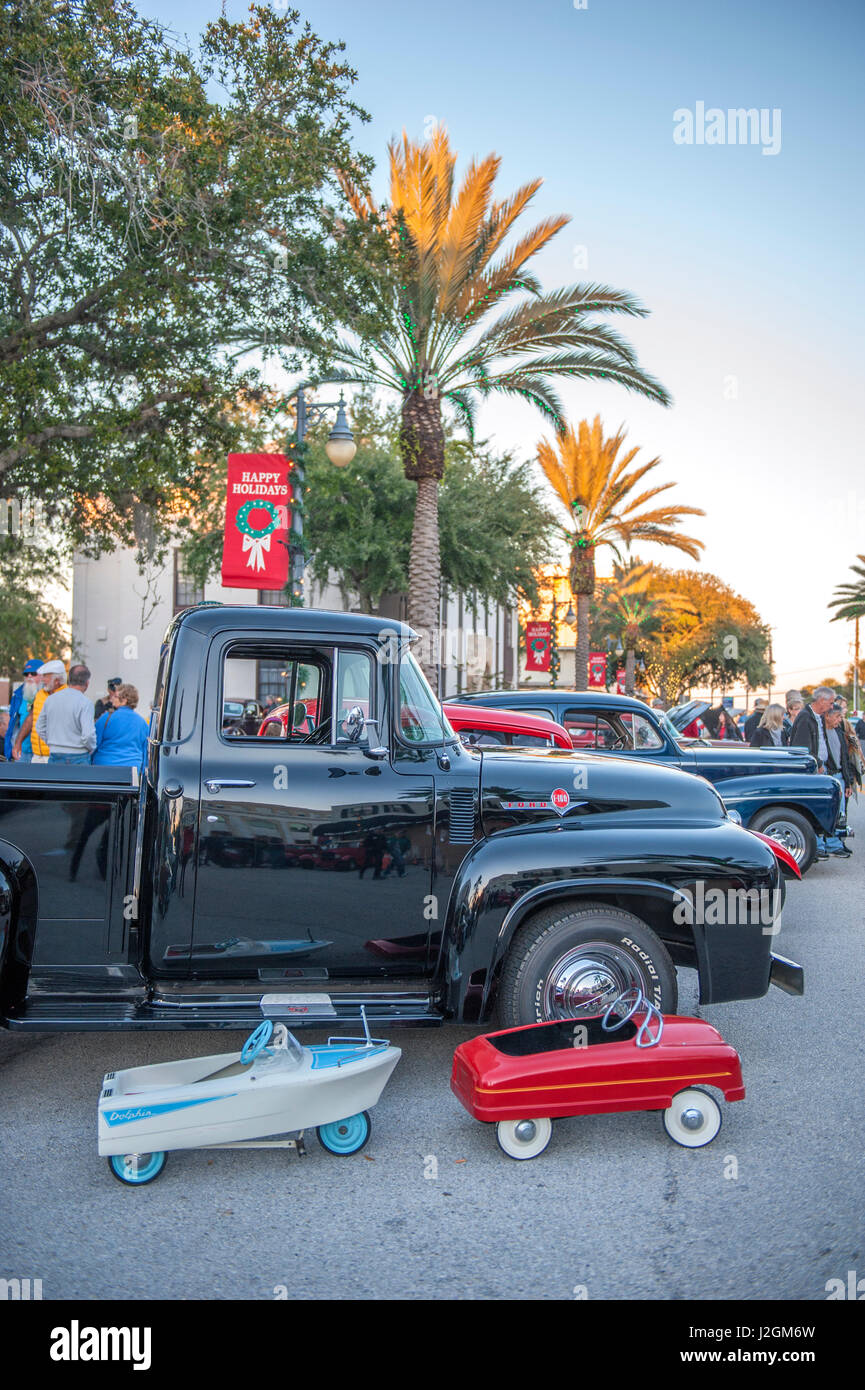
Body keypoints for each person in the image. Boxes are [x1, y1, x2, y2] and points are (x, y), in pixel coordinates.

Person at [36, 662, 96, 765]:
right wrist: (92, 747)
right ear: (87, 683)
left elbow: (39, 727)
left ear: (68, 680)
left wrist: (53, 743)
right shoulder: (85, 703)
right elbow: (88, 735)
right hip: (79, 755)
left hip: (55, 753)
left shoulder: (50, 699)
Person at [13, 659, 68, 762]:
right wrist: (18, 742)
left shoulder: (67, 696)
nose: (42, 680)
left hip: (56, 757)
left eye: (45, 676)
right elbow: (31, 718)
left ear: (57, 680)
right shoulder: (40, 694)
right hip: (37, 756)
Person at [93, 683, 149, 769]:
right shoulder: (143, 723)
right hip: (132, 767)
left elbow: (95, 742)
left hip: (104, 765)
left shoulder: (106, 718)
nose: (111, 699)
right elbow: (145, 751)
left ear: (124, 700)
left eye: (115, 696)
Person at [4, 658, 43, 762]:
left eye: (33, 673)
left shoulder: (49, 695)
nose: (29, 676)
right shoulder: (18, 695)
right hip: (21, 751)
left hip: (41, 753)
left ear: (43, 675)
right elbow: (13, 725)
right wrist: (10, 747)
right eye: (26, 674)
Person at [788, 686, 835, 770]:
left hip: (820, 765)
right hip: (813, 767)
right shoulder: (805, 717)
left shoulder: (820, 717)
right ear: (821, 701)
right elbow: (802, 748)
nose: (832, 707)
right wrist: (818, 764)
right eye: (831, 703)